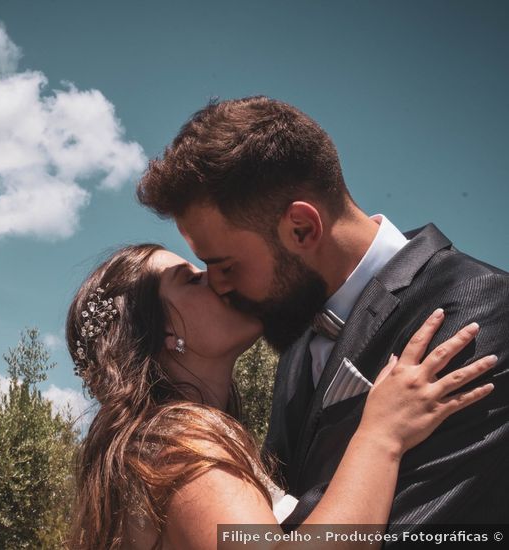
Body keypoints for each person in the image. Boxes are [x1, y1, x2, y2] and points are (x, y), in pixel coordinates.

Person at [135, 96, 509, 533]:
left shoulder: (477, 310)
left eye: (226, 265)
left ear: (302, 228)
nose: (217, 284)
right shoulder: (297, 341)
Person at [66, 244, 494, 549]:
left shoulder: (161, 442)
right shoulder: (173, 447)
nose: (214, 277)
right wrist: (382, 436)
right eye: (191, 279)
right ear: (164, 330)